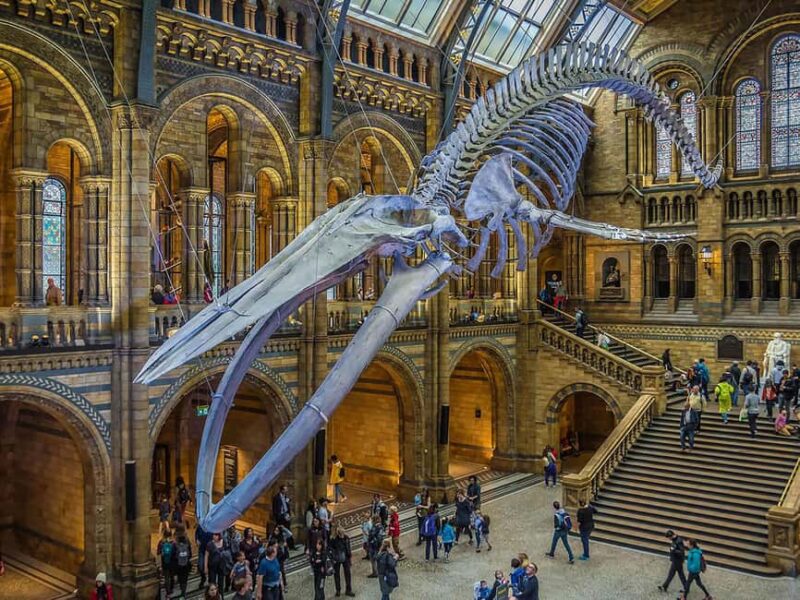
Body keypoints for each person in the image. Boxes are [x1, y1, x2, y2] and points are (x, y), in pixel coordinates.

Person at [329, 525, 355, 597]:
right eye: (341, 534)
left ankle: (348, 590)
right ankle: (338, 590)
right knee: (336, 575)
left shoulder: (346, 538)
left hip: (346, 558)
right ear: (338, 533)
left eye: (343, 533)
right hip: (337, 558)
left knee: (348, 574)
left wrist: (350, 557)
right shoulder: (333, 539)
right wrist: (333, 557)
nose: (342, 535)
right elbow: (330, 549)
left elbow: (348, 547)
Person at [157, 529, 176, 596]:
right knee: (172, 576)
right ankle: (172, 588)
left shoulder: (161, 542)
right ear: (171, 534)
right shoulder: (173, 542)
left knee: (166, 577)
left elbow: (158, 553)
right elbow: (175, 553)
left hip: (165, 562)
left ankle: (168, 592)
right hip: (172, 562)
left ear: (164, 534)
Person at [174, 530, 193, 597]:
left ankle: (181, 587)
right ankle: (183, 591)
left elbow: (174, 556)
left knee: (180, 577)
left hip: (179, 565)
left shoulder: (175, 545)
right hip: (186, 565)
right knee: (185, 578)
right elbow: (190, 555)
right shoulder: (187, 545)